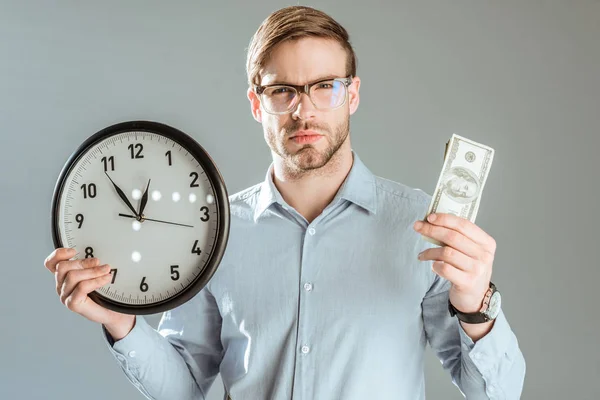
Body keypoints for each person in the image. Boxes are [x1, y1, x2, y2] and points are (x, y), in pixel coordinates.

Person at [44, 6, 525, 399]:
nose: (304, 109)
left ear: (352, 94)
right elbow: (185, 388)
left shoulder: (419, 226)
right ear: (257, 104)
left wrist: (476, 306)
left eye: (325, 86)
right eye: (282, 91)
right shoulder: (214, 234)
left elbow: (497, 394)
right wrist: (119, 320)